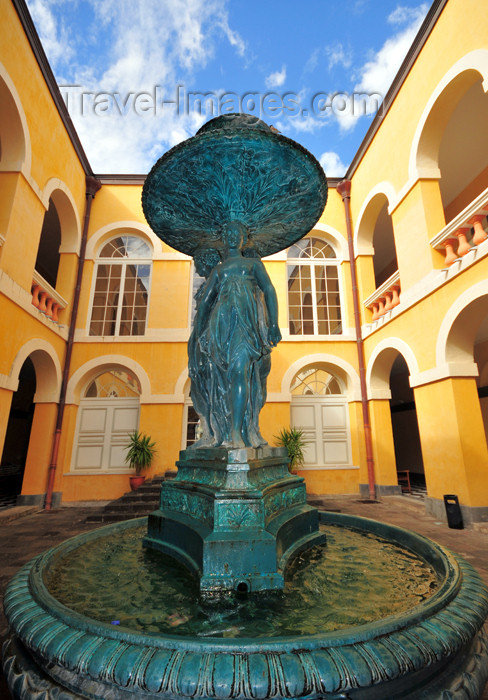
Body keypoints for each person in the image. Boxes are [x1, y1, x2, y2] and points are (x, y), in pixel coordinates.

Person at [194, 220, 281, 448]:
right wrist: (199, 333)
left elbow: (269, 290)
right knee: (225, 376)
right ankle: (226, 431)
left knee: (240, 370)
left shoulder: (253, 265)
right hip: (221, 326)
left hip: (246, 324)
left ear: (243, 237)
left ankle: (237, 432)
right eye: (229, 233)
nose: (233, 236)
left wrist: (274, 324)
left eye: (237, 232)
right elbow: (204, 304)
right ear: (224, 238)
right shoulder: (219, 270)